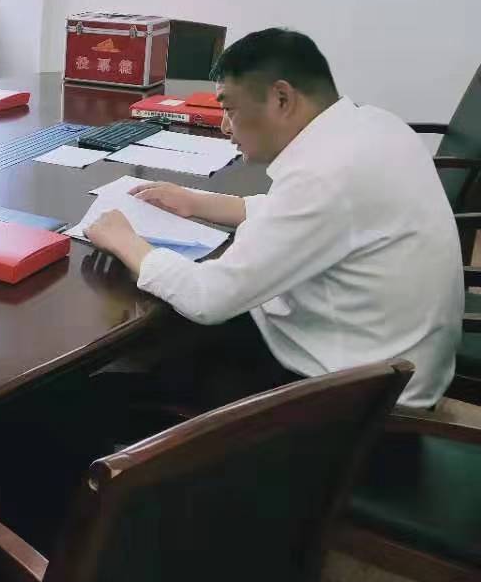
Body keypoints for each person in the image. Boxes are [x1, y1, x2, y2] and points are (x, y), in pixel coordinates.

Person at [85, 27, 460, 409]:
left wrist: (125, 241)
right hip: (383, 356)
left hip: (355, 400)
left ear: (282, 98)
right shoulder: (373, 126)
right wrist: (197, 202)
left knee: (115, 384)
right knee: (167, 342)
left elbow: (209, 297)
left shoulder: (323, 177)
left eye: (230, 109)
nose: (224, 126)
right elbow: (302, 214)